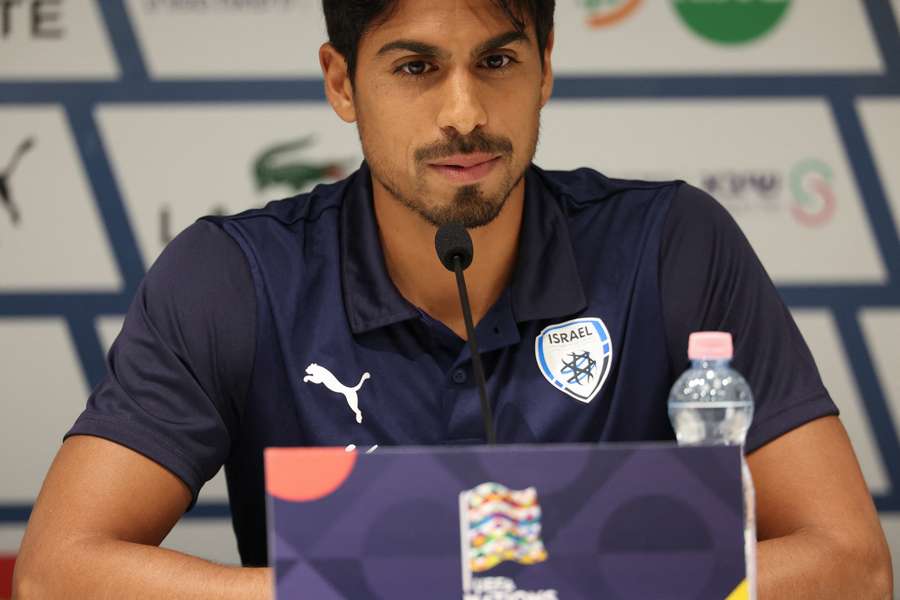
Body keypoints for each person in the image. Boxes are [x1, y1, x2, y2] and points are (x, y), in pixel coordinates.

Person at [13, 1, 892, 598]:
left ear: (545, 70)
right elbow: (60, 573)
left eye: (497, 60)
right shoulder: (233, 275)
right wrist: (353, 586)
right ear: (342, 82)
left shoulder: (671, 244)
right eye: (416, 66)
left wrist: (561, 579)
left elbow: (850, 564)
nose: (463, 111)